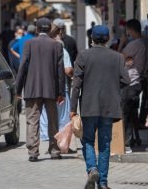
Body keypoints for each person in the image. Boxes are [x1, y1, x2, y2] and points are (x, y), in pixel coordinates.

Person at [70, 25, 130, 189]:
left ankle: (92, 168)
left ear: (92, 39)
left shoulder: (83, 56)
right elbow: (126, 81)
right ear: (108, 39)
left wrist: (73, 108)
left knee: (88, 141)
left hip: (89, 106)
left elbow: (76, 85)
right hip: (109, 107)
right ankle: (103, 182)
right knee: (104, 144)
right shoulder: (117, 57)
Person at [15, 18, 64, 162]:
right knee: (53, 121)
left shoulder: (29, 43)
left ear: (37, 29)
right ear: (49, 30)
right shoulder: (57, 46)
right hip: (51, 90)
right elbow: (60, 71)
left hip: (32, 89)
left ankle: (33, 153)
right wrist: (61, 92)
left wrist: (18, 90)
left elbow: (22, 67)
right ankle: (55, 150)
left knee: (32, 121)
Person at [40, 25, 73, 144]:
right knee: (63, 116)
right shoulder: (61, 50)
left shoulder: (42, 49)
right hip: (60, 88)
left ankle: (46, 137)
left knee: (45, 114)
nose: (62, 37)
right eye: (60, 34)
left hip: (44, 88)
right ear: (55, 35)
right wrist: (73, 75)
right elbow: (68, 70)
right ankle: (61, 141)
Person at [117, 19, 147, 153]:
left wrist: (122, 42)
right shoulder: (144, 41)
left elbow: (118, 57)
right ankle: (135, 139)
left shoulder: (135, 43)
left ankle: (126, 144)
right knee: (132, 113)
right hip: (138, 82)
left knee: (125, 114)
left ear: (129, 30)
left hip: (130, 83)